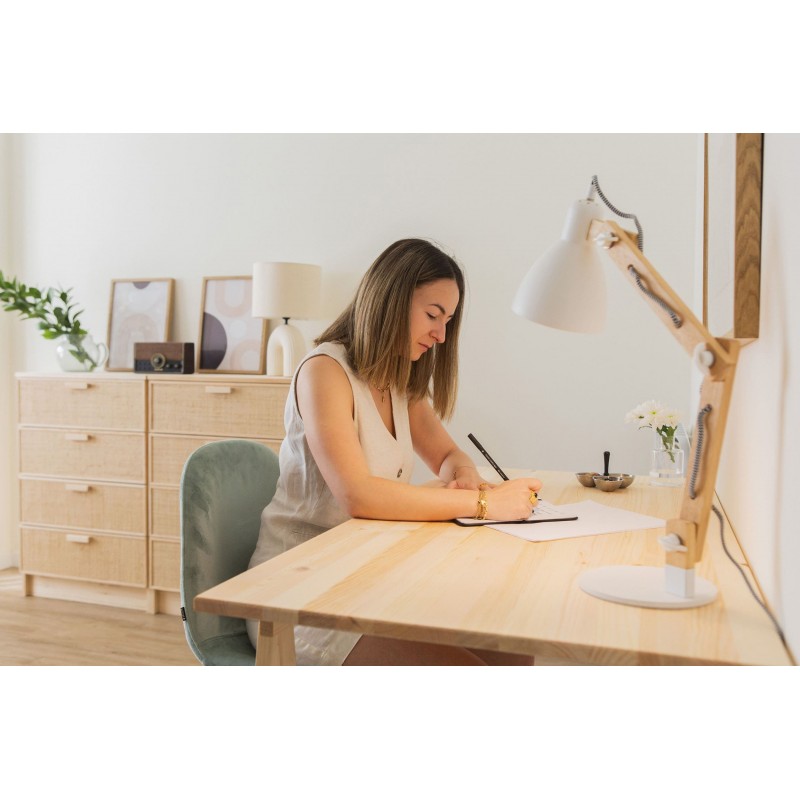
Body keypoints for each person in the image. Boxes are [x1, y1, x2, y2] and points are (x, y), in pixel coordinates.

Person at [246, 238, 541, 665]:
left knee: (513, 648)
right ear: (390, 301)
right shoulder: (324, 372)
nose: (441, 335)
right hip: (299, 589)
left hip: (367, 574)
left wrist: (465, 474)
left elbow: (448, 456)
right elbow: (358, 495)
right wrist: (482, 503)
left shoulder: (398, 381)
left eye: (449, 320)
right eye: (433, 315)